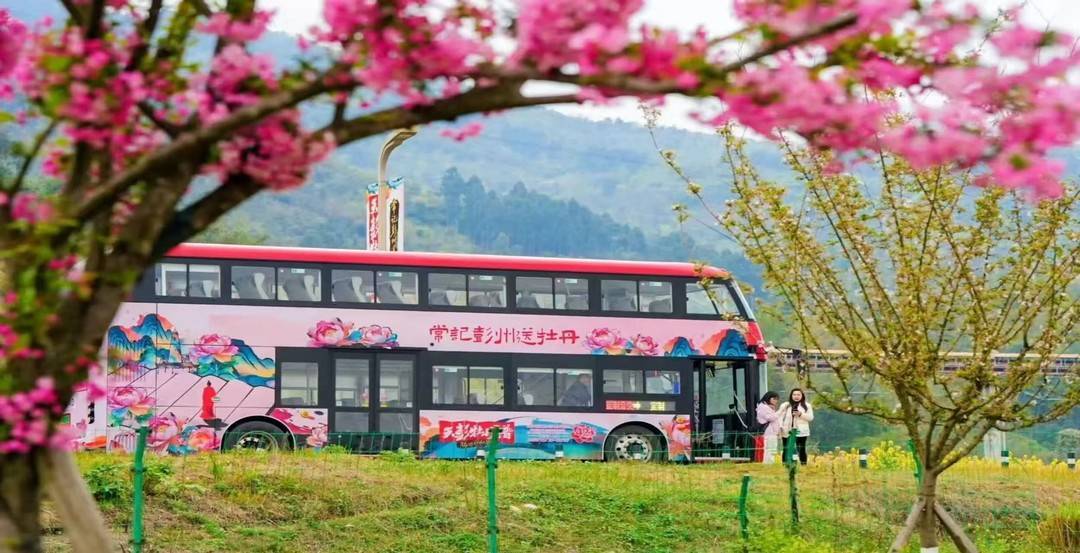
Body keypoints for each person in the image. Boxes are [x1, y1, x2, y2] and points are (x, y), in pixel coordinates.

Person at [779, 388, 814, 465]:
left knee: (801, 448)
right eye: (794, 394)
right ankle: (786, 464)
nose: (796, 396)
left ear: (802, 396)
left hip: (801, 431)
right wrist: (781, 426)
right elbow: (780, 416)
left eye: (798, 395)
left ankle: (803, 464)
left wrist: (800, 414)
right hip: (787, 430)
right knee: (786, 448)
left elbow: (810, 418)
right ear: (791, 396)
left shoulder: (806, 405)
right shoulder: (785, 405)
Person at [755, 391, 781, 463]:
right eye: (774, 399)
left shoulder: (767, 407)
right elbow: (771, 418)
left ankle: (769, 464)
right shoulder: (763, 407)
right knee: (769, 449)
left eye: (777, 399)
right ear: (768, 398)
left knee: (771, 450)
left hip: (772, 432)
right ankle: (768, 464)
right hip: (768, 432)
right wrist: (780, 411)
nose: (776, 401)